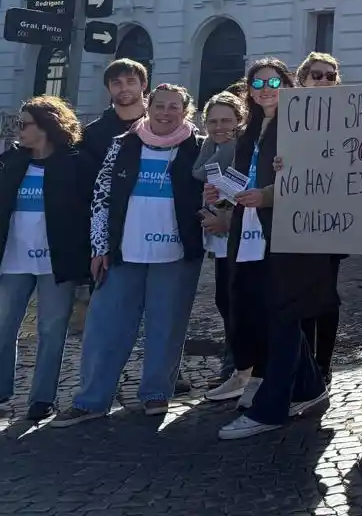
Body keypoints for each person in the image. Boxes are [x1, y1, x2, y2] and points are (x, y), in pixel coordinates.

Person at [51, 84, 207, 426]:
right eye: (160, 106)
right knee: (106, 327)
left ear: (186, 112)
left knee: (167, 327)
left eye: (174, 107)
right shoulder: (123, 144)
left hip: (177, 254)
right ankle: (92, 400)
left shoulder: (198, 148)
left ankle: (156, 394)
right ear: (148, 107)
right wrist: (99, 246)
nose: (167, 113)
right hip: (123, 252)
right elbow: (102, 197)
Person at [217, 60, 334, 439]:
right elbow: (244, 173)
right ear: (248, 90)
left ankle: (273, 406)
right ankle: (310, 388)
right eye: (257, 83)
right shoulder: (252, 128)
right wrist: (222, 193)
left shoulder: (303, 123)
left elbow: (316, 177)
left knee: (283, 314)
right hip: (250, 232)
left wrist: (266, 196)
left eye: (273, 81)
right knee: (268, 310)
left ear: (288, 84)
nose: (265, 88)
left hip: (287, 234)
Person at [0, 97, 93, 422]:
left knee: (51, 330)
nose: (18, 130)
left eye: (24, 124)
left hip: (57, 262)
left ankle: (42, 398)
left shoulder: (74, 164)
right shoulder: (9, 161)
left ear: (45, 127)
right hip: (12, 259)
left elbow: (85, 215)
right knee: (3, 325)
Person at [194, 92, 248, 400]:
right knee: (224, 301)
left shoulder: (237, 148)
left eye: (226, 120)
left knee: (235, 302)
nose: (219, 127)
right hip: (220, 238)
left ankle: (236, 369)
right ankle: (234, 367)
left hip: (239, 236)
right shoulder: (209, 147)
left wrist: (226, 218)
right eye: (213, 121)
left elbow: (241, 190)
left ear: (238, 121)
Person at [295, 52, 343, 387]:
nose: (323, 80)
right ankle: (302, 362)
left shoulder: (347, 115)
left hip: (333, 221)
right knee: (297, 295)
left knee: (326, 295)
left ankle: (322, 365)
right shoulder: (287, 114)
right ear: (303, 79)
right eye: (317, 75)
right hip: (293, 220)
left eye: (330, 76)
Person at [81, 59, 148, 167]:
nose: (124, 88)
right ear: (108, 88)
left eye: (130, 81)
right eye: (116, 83)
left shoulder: (161, 126)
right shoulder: (93, 133)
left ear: (143, 85)